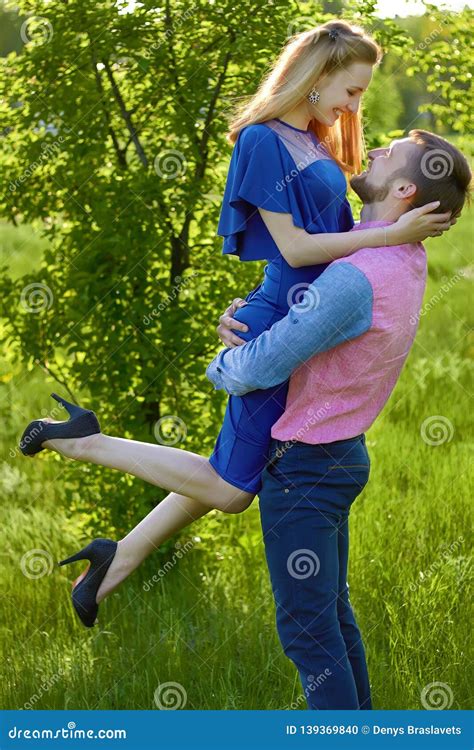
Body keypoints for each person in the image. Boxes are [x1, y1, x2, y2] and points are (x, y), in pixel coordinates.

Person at [19, 21, 453, 629]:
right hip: (282, 322)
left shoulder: (316, 140)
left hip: (298, 315)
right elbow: (297, 249)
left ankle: (119, 556)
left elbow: (322, 250)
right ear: (318, 74)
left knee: (234, 470)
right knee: (230, 489)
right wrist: (393, 234)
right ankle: (82, 441)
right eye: (352, 91)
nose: (356, 105)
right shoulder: (262, 141)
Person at [206, 129, 472, 709]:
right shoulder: (395, 254)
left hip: (305, 467)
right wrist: (248, 312)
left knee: (308, 629)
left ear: (403, 187)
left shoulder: (361, 272)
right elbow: (297, 285)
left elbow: (263, 365)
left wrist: (223, 359)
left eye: (389, 151)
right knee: (331, 616)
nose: (372, 149)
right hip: (335, 458)